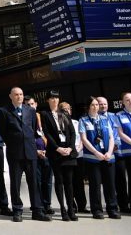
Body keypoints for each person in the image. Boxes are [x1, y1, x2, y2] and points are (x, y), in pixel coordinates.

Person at [0, 86, 50, 222]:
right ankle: (17, 210)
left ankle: (37, 210)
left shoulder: (30, 110)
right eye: (16, 94)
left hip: (30, 151)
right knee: (15, 182)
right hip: (15, 152)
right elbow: (3, 131)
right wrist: (15, 141)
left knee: (34, 182)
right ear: (11, 96)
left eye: (21, 94)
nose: (19, 97)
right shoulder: (4, 111)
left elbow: (32, 129)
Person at [80, 96, 121, 220]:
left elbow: (111, 137)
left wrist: (109, 152)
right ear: (88, 107)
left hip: (108, 157)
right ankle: (97, 210)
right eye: (93, 105)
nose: (95, 107)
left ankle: (112, 209)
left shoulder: (105, 119)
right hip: (93, 158)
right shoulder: (83, 120)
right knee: (95, 185)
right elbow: (84, 139)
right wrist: (96, 153)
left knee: (110, 185)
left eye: (97, 105)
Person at [40, 91, 78, 221]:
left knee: (69, 182)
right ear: (47, 100)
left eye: (56, 97)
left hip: (68, 152)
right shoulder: (45, 115)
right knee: (59, 181)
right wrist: (58, 148)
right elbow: (47, 133)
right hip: (56, 153)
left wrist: (70, 148)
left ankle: (71, 209)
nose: (54, 100)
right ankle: (62, 209)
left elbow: (72, 132)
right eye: (52, 98)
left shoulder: (65, 113)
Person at [26, 95, 53, 214]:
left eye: (32, 104)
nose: (30, 106)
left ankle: (47, 204)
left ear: (36, 104)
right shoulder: (24, 119)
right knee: (36, 181)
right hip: (34, 154)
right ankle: (39, 205)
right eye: (27, 105)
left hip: (47, 152)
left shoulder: (43, 116)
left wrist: (49, 149)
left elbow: (50, 133)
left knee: (47, 181)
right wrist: (35, 151)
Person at [61, 101, 88, 214]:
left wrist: (79, 148)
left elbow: (82, 138)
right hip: (67, 156)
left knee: (79, 182)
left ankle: (82, 206)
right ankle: (72, 206)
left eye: (68, 108)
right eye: (63, 109)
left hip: (79, 155)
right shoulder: (59, 123)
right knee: (69, 182)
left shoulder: (77, 122)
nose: (67, 111)